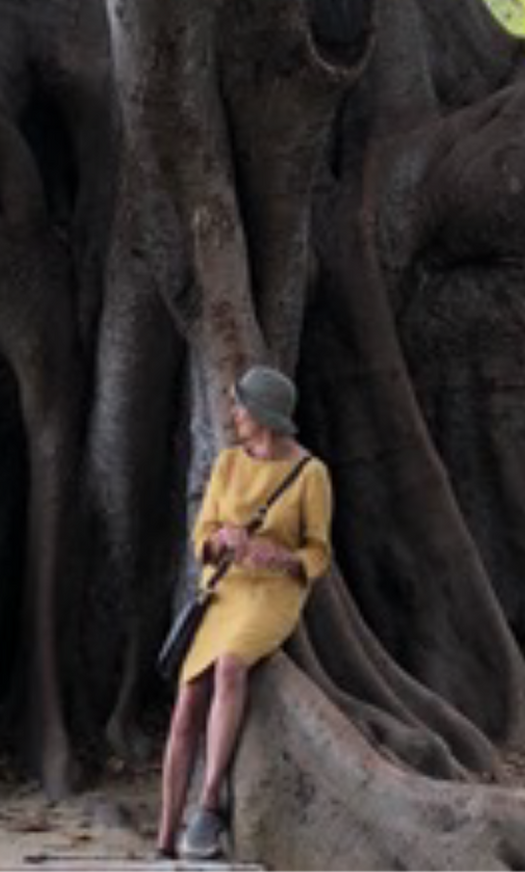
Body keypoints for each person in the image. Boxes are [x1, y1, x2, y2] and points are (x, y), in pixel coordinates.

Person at [155, 365, 332, 863]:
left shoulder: (310, 473)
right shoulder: (229, 464)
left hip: (273, 593)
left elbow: (319, 551)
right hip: (225, 589)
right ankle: (165, 838)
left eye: (240, 406)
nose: (233, 414)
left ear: (263, 416)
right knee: (187, 700)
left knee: (231, 665)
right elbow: (202, 535)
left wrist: (288, 558)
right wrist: (219, 541)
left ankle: (209, 801)